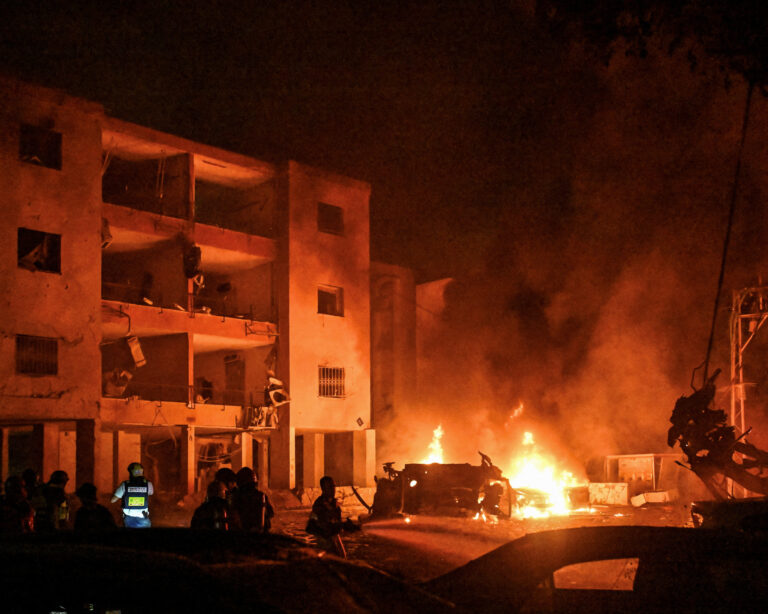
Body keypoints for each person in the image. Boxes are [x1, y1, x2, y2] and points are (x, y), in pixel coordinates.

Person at [306, 475, 359, 558]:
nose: (333, 489)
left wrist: (347, 526)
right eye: (330, 486)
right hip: (325, 542)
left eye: (334, 486)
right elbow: (317, 525)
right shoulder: (319, 505)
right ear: (323, 488)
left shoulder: (333, 504)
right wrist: (342, 525)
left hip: (335, 538)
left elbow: (335, 522)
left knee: (342, 557)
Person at [231, 467, 273, 532]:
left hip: (242, 534)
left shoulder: (237, 496)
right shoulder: (261, 495)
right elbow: (271, 513)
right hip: (261, 535)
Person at [111, 462, 153, 528]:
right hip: (143, 517)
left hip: (129, 519)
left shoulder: (125, 484)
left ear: (131, 473)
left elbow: (112, 500)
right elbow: (150, 493)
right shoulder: (148, 484)